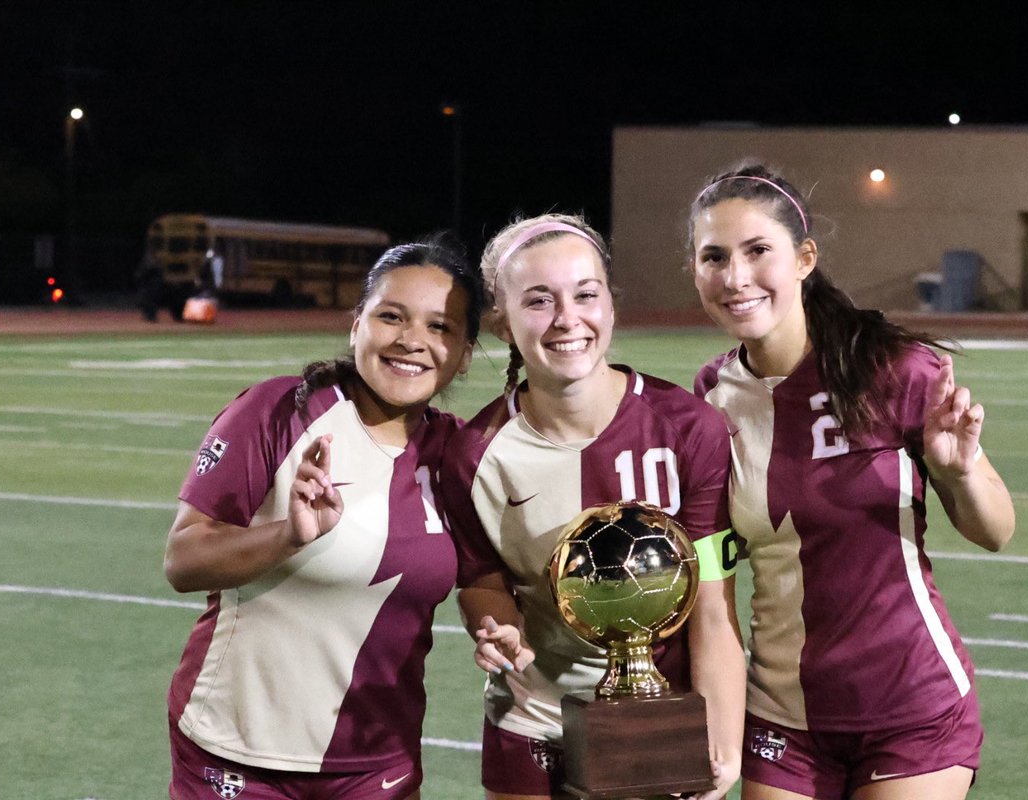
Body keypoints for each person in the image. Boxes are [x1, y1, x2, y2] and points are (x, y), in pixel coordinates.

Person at [686, 164, 1016, 800]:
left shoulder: (891, 368)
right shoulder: (712, 397)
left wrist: (958, 472)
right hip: (783, 716)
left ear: (804, 258)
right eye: (714, 257)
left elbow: (996, 531)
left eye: (758, 252)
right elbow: (714, 572)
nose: (735, 277)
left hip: (911, 707)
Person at [163, 235, 485, 800]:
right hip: (236, 749)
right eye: (392, 316)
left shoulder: (461, 456)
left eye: (441, 327)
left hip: (378, 758)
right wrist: (287, 536)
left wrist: (497, 625)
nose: (412, 340)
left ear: (464, 351)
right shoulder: (277, 412)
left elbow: (488, 575)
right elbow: (184, 561)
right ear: (357, 322)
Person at [440, 213, 747, 800]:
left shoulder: (689, 428)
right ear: (501, 321)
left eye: (586, 294)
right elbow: (481, 580)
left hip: (659, 719)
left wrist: (721, 737)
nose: (567, 319)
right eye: (538, 301)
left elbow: (712, 602)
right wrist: (496, 628)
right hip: (531, 719)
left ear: (609, 303)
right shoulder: (473, 455)